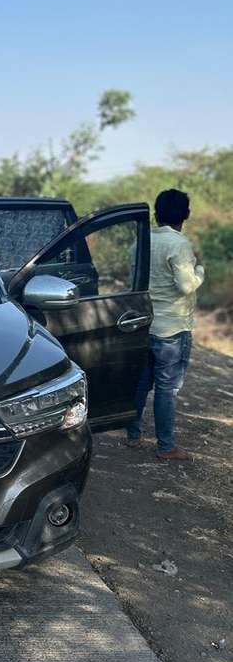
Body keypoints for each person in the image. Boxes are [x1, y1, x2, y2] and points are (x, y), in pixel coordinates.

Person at [126, 189, 204, 461]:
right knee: (167, 388)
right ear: (186, 215)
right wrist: (200, 270)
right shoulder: (179, 244)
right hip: (172, 328)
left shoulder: (140, 242)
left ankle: (133, 435)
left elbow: (132, 283)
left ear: (156, 215)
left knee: (141, 383)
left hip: (143, 324)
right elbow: (185, 286)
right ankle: (166, 446)